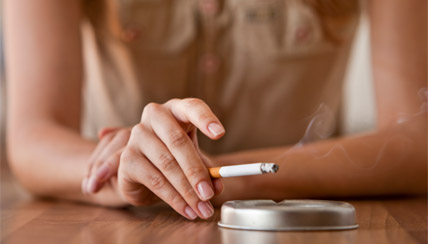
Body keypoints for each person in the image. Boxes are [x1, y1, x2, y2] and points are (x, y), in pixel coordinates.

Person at [4, 0, 426, 220]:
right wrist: (125, 171)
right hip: (123, 223)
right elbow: (32, 135)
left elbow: (416, 141)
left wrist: (215, 176)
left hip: (302, 225)